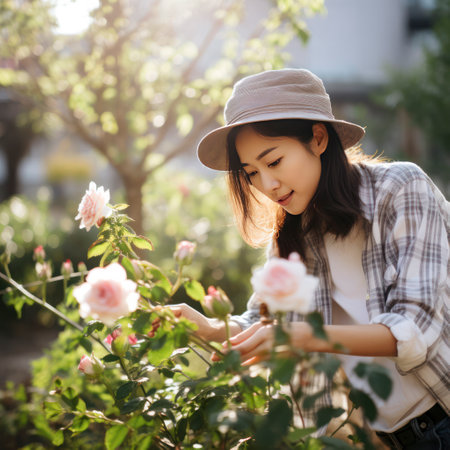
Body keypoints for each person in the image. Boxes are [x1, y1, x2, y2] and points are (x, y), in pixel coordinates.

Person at [172, 68, 449, 448]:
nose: (266, 185)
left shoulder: (401, 189)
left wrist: (305, 337)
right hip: (387, 439)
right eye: (251, 172)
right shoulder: (292, 235)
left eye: (274, 162)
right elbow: (263, 321)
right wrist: (209, 328)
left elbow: (415, 328)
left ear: (318, 139)